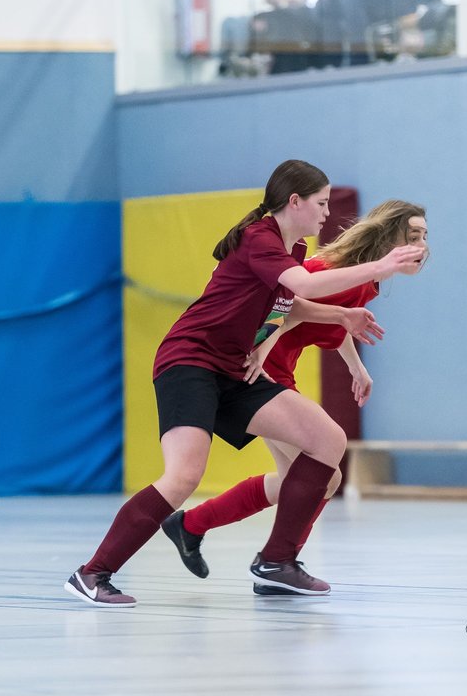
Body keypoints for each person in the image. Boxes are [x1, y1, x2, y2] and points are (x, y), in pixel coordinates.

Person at [64, 160, 424, 606]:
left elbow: (284, 305)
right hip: (190, 361)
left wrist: (332, 319)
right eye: (321, 203)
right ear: (295, 202)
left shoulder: (290, 250)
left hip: (236, 368)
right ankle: (93, 572)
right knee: (183, 476)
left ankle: (277, 562)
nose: (327, 214)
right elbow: (304, 286)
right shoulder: (261, 239)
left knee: (327, 440)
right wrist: (378, 267)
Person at [161, 200, 429, 586]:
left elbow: (334, 319)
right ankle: (275, 561)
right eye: (412, 236)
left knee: (298, 479)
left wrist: (356, 366)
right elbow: (280, 305)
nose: (422, 245)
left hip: (279, 368)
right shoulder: (329, 269)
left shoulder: (367, 281)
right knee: (325, 474)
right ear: (389, 238)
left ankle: (193, 526)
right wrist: (262, 352)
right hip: (263, 370)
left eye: (424, 236)